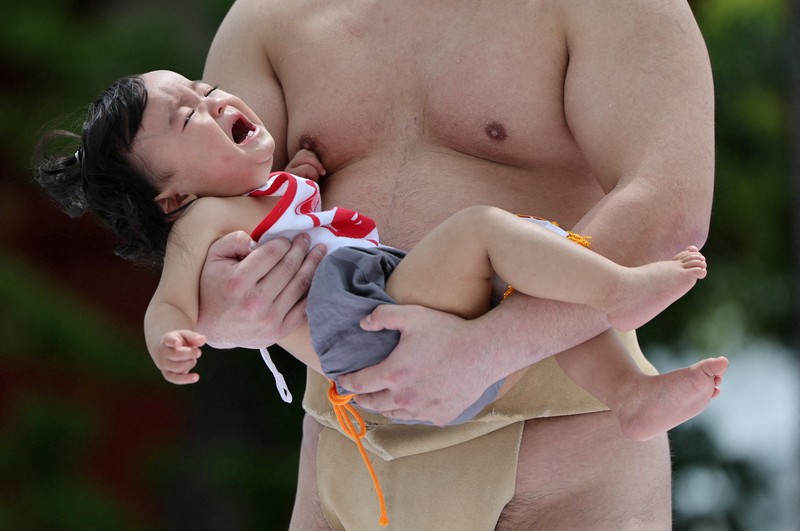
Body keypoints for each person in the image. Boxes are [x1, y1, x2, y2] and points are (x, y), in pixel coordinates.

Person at [194, 0, 716, 529]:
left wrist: (492, 350)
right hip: (344, 452)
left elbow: (668, 207)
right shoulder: (265, 16)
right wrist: (221, 311)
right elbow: (200, 220)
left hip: (563, 459)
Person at [35, 70, 722, 443]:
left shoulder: (271, 189)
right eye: (189, 117)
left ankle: (631, 395)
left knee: (529, 277)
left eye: (207, 91)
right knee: (486, 230)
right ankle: (620, 292)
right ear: (171, 195)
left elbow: (300, 203)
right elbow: (171, 301)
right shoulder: (206, 218)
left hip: (379, 310)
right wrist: (175, 341)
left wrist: (301, 173)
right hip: (362, 326)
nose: (214, 102)